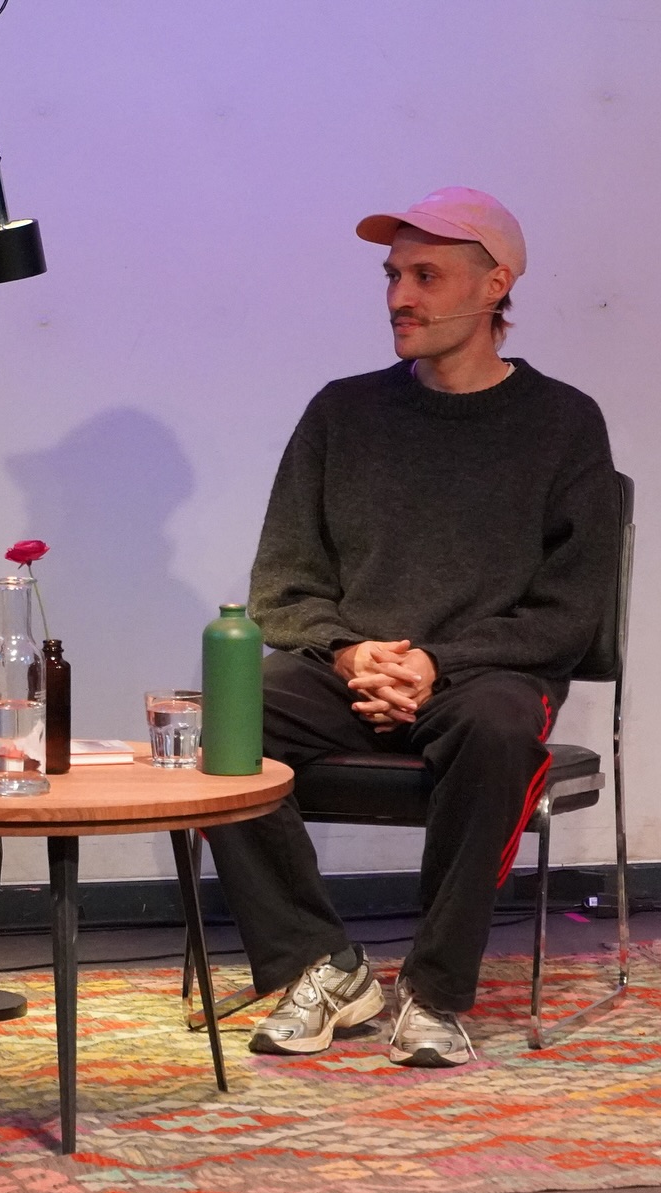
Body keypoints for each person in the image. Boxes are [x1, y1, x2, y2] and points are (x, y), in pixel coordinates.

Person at [206, 188, 619, 1068]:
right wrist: (351, 652)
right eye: (393, 276)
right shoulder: (342, 412)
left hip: (484, 679)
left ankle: (434, 992)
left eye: (426, 276)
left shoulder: (563, 423)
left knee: (498, 726)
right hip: (353, 671)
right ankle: (324, 965)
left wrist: (438, 663)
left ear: (495, 285)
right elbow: (282, 586)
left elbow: (569, 615)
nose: (400, 296)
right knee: (230, 718)